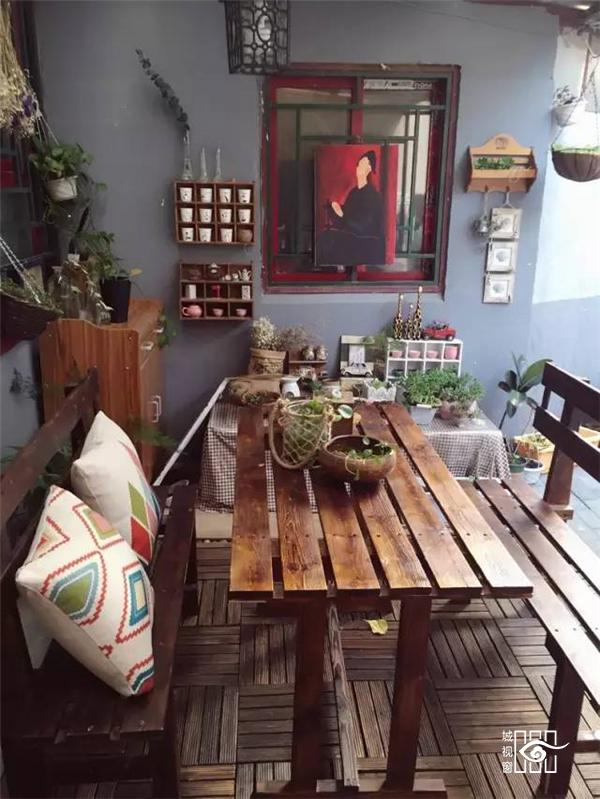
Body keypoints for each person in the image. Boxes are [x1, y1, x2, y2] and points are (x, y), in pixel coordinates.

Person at [316, 150, 385, 266]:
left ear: (369, 168)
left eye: (362, 165)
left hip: (364, 242)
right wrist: (336, 210)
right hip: (351, 237)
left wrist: (343, 215)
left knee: (328, 240)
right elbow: (343, 221)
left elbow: (364, 225)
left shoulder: (372, 195)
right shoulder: (353, 192)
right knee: (326, 237)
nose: (358, 168)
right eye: (358, 165)